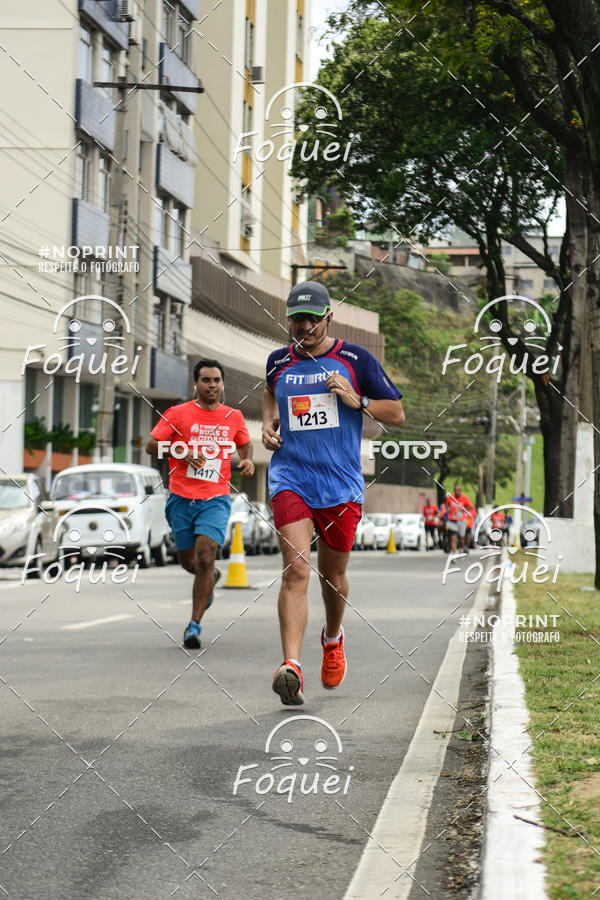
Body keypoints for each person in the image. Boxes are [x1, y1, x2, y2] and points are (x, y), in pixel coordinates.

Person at [262, 280, 405, 705]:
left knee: (333, 577)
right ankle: (292, 667)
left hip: (340, 484)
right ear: (288, 319)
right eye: (296, 318)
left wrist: (355, 399)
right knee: (296, 571)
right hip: (291, 478)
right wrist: (268, 425)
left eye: (311, 317)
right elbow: (272, 397)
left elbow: (396, 412)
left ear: (329, 316)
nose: (304, 325)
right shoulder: (276, 362)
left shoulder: (355, 359)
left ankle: (332, 637)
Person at [146, 360, 255, 649]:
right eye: (206, 380)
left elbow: (244, 443)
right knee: (189, 562)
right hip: (181, 498)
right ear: (196, 384)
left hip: (215, 498)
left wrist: (245, 459)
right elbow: (151, 445)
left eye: (217, 380)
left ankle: (194, 625)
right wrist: (180, 451)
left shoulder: (233, 416)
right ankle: (210, 577)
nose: (212, 385)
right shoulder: (177, 413)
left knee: (206, 556)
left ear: (222, 383)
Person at [446, 483, 474, 554]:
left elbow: (471, 506)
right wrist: (448, 509)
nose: (456, 492)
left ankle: (461, 548)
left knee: (461, 537)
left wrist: (463, 510)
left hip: (461, 520)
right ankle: (454, 553)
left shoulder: (465, 498)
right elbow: (447, 505)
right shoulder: (450, 497)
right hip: (452, 520)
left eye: (458, 490)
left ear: (460, 491)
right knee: (453, 537)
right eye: (455, 490)